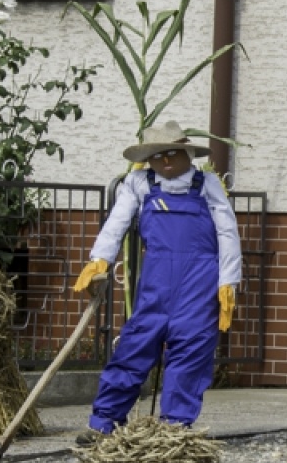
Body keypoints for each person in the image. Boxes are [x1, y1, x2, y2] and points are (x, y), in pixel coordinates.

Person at [71, 121, 242, 441]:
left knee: (190, 352)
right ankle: (103, 423)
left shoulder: (206, 184)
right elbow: (117, 222)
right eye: (159, 155)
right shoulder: (138, 183)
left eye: (174, 154)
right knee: (134, 347)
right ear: (148, 159)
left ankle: (174, 429)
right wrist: (99, 260)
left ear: (188, 154)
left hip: (199, 283)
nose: (166, 162)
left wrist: (228, 282)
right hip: (156, 284)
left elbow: (227, 232)